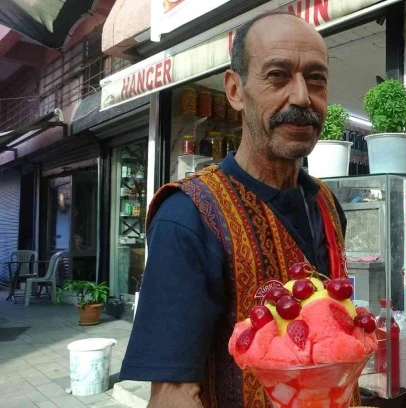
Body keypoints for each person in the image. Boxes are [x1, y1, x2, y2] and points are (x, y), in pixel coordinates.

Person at [120, 11, 352, 408]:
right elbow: (173, 393)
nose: (302, 96)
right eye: (278, 75)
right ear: (235, 90)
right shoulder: (189, 216)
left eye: (316, 78)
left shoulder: (326, 202)